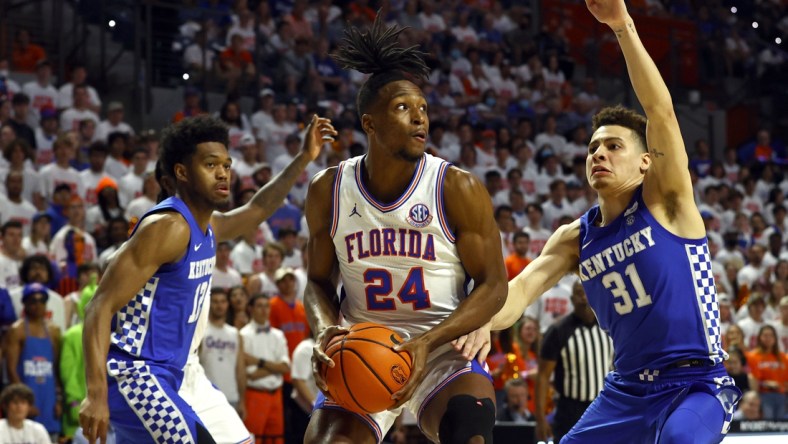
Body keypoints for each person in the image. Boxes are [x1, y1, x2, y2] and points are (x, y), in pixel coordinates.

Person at [483, 1, 741, 442]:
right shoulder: (573, 239)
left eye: (614, 146)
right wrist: (476, 321)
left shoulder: (668, 202)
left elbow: (661, 113)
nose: (599, 153)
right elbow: (519, 293)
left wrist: (622, 26)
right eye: (592, 148)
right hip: (624, 391)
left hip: (696, 384)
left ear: (646, 162)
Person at [304, 15, 507, 444]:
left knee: (469, 431)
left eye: (423, 109)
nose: (420, 120)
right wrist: (324, 329)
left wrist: (427, 343)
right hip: (361, 348)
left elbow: (493, 286)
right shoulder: (329, 190)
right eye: (403, 108)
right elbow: (318, 281)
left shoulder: (457, 187)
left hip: (440, 351)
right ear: (369, 124)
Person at [79, 114, 336, 443]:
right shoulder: (168, 227)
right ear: (182, 172)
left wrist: (304, 157)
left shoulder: (209, 226)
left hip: (181, 372)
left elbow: (258, 209)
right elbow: (98, 307)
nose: (223, 173)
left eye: (227, 165)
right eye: (210, 164)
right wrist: (96, 394)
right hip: (138, 373)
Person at [535, 281, 613, 443]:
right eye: (579, 293)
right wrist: (541, 418)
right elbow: (543, 376)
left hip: (604, 405)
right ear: (571, 299)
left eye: (587, 293)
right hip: (570, 409)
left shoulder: (609, 326)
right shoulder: (558, 330)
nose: (584, 298)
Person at [4, 283, 62, 440]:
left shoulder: (54, 331)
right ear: (24, 303)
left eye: (41, 300)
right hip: (26, 397)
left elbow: (56, 369)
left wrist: (58, 400)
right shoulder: (17, 330)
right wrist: (23, 402)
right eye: (32, 300)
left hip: (48, 397)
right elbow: (11, 369)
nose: (37, 304)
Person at [240, 294, 290, 444]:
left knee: (275, 440)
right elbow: (251, 375)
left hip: (277, 395)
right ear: (251, 309)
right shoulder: (243, 334)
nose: (264, 310)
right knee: (253, 439)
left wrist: (258, 361)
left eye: (266, 306)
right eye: (259, 306)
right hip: (254, 394)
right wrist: (276, 367)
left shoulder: (278, 334)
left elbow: (286, 367)